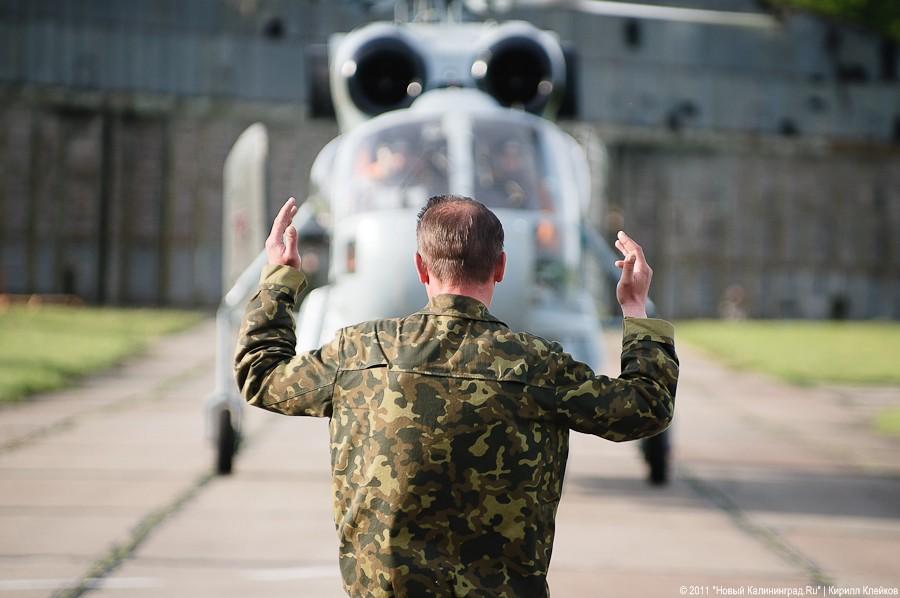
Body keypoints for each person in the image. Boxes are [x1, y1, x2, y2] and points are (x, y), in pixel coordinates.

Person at [235, 195, 678, 597]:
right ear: (500, 267)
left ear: (420, 267)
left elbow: (260, 373)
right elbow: (646, 406)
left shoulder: (360, 351)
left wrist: (280, 279)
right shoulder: (537, 364)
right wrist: (636, 308)